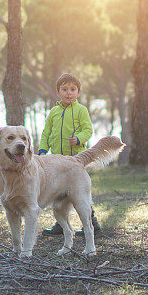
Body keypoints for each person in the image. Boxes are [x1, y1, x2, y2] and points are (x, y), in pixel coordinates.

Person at [38, 73, 101, 237]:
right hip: (57, 161)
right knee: (58, 191)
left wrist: (79, 139)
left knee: (78, 192)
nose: (68, 93)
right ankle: (60, 223)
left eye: (73, 89)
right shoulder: (54, 112)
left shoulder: (81, 110)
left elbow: (87, 129)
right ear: (58, 92)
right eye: (64, 89)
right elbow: (46, 133)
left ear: (78, 93)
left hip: (76, 160)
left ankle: (92, 223)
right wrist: (43, 150)